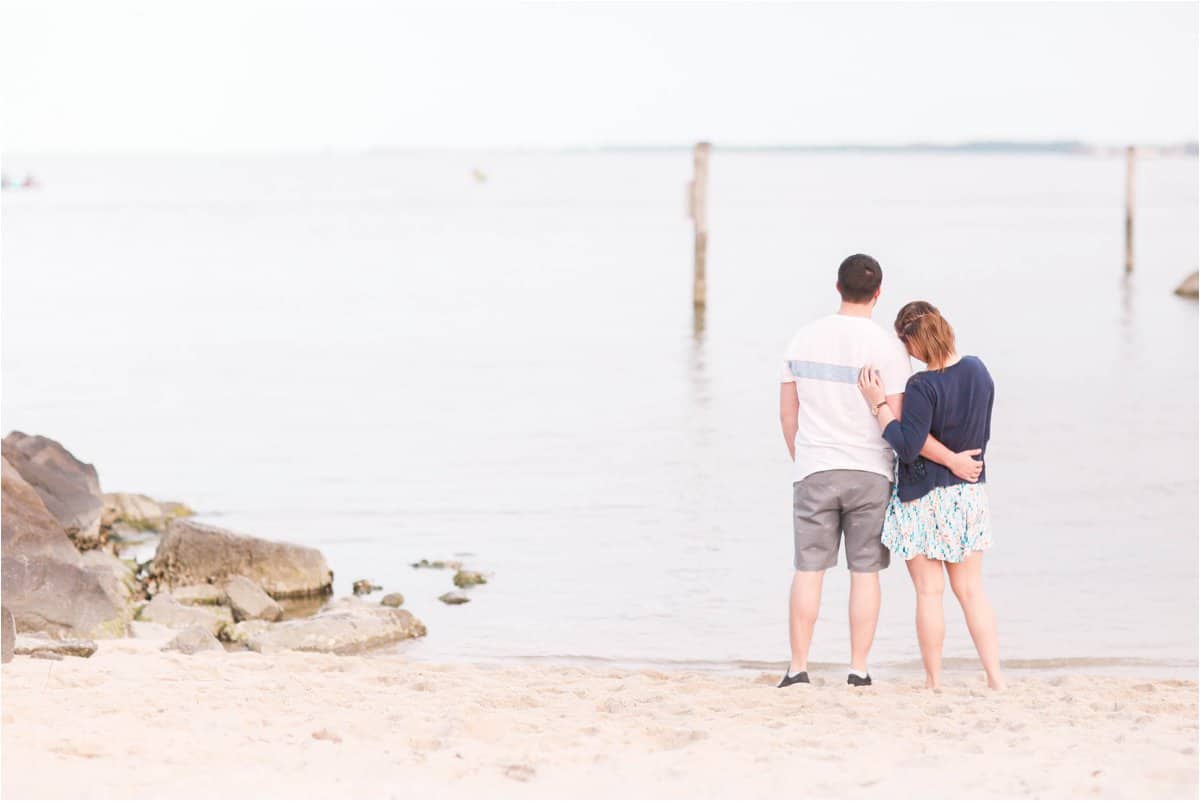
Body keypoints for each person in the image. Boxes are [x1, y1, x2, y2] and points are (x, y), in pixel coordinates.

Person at [777, 255, 982, 689]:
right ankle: (858, 669)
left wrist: (803, 456)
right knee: (865, 572)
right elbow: (903, 423)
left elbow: (788, 412)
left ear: (837, 287)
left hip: (815, 467)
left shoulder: (802, 338)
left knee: (809, 570)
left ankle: (798, 669)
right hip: (872, 472)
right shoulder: (888, 347)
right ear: (878, 293)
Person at [857, 300, 1004, 690]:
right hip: (970, 494)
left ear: (914, 343)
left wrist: (878, 405)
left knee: (929, 592)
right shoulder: (979, 370)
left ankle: (934, 680)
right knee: (973, 592)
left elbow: (907, 445)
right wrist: (956, 460)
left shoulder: (922, 386)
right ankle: (996, 678)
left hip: (925, 496)